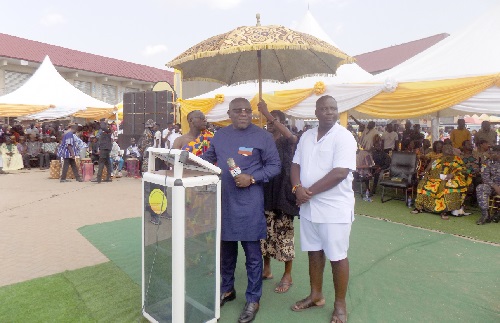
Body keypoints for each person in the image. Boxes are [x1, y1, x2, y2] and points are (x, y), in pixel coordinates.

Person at [202, 98, 281, 323]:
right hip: (224, 199)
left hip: (249, 202)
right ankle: (227, 289)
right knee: (226, 250)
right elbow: (209, 160)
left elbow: (275, 166)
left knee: (252, 255)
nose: (244, 114)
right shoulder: (220, 135)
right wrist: (190, 164)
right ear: (230, 113)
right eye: (238, 111)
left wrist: (253, 178)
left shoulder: (263, 137)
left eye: (247, 110)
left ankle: (253, 298)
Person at [290, 95, 356, 323]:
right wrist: (297, 187)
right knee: (314, 252)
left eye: (333, 108)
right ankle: (316, 295)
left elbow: (340, 172)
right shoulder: (307, 136)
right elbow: (295, 164)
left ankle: (340, 305)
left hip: (334, 209)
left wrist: (307, 192)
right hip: (309, 208)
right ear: (316, 112)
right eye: (324, 109)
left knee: (337, 257)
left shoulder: (344, 137)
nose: (329, 112)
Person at [257, 101, 299, 294]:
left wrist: (266, 111)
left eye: (274, 120)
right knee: (264, 234)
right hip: (265, 192)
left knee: (284, 235)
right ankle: (267, 269)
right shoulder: (264, 141)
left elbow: (292, 137)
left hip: (283, 194)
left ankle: (287, 274)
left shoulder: (287, 140)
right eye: (267, 120)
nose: (270, 123)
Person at [411, 144, 470, 219]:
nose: (448, 149)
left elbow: (463, 170)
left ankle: (444, 211)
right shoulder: (438, 158)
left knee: (445, 186)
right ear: (442, 150)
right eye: (446, 148)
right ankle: (419, 207)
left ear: (452, 150)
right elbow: (430, 165)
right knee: (423, 184)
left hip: (450, 178)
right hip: (435, 177)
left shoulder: (457, 159)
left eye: (449, 148)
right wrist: (425, 171)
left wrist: (452, 175)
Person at [476, 145, 500, 224]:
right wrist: (495, 186)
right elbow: (485, 177)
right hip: (492, 186)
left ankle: (498, 212)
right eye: (490, 153)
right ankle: (485, 214)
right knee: (481, 187)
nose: (490, 155)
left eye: (492, 153)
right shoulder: (487, 162)